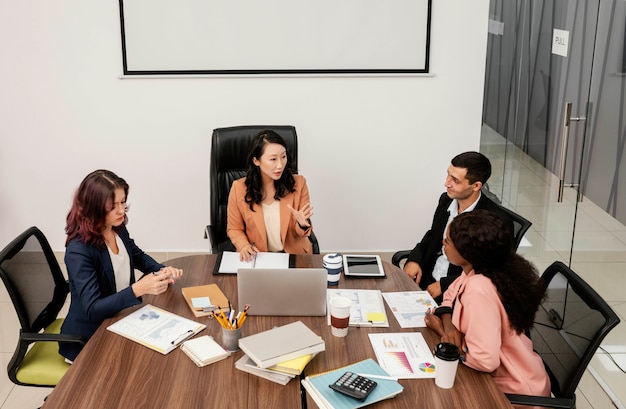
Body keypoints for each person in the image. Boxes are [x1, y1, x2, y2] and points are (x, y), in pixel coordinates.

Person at [424, 210, 550, 403]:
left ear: (467, 251)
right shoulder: (477, 269)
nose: (443, 244)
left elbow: (485, 361)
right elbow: (450, 296)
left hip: (513, 391)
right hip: (509, 375)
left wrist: (441, 329)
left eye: (448, 241)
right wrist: (450, 329)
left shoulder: (479, 288)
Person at [59, 170, 183, 362]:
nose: (121, 211)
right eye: (112, 206)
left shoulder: (116, 227)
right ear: (94, 207)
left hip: (121, 318)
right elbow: (93, 309)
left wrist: (160, 270)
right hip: (90, 337)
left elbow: (137, 255)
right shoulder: (78, 250)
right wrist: (138, 289)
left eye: (123, 202)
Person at [403, 151, 512, 301]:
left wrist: (444, 284)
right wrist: (414, 259)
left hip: (460, 293)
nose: (446, 183)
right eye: (448, 175)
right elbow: (433, 236)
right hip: (427, 280)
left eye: (455, 180)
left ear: (476, 185)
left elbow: (490, 271)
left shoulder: (495, 221)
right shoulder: (446, 200)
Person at [227, 130, 314, 260]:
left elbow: (302, 231)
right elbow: (234, 229)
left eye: (283, 157)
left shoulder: (299, 183)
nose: (280, 165)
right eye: (273, 159)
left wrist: (302, 223)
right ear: (256, 161)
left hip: (294, 257)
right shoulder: (238, 188)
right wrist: (243, 246)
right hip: (260, 258)